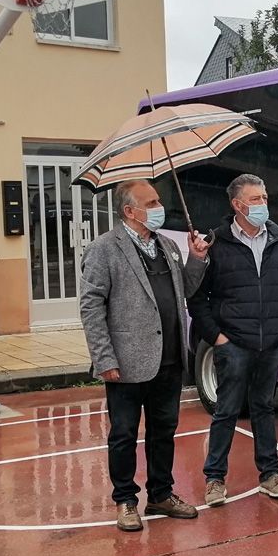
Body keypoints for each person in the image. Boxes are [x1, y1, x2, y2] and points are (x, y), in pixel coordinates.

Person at [78, 179, 210, 532]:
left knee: (163, 431)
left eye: (158, 201)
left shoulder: (167, 245)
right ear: (129, 211)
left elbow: (186, 289)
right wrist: (104, 358)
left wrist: (197, 259)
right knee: (123, 434)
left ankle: (161, 493)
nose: (158, 207)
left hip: (168, 359)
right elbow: (91, 306)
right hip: (125, 362)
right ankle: (125, 500)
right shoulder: (104, 249)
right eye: (151, 203)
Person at [189, 173, 278, 506]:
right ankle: (214, 480)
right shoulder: (218, 243)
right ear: (237, 205)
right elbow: (197, 297)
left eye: (265, 198)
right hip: (234, 344)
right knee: (226, 411)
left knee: (264, 408)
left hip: (273, 344)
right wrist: (217, 338)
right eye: (256, 200)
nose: (263, 205)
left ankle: (270, 475)